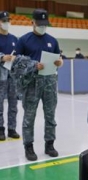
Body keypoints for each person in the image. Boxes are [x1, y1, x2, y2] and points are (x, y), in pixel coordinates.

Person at [15, 8, 63, 161]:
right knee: (29, 116)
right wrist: (33, 66)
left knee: (50, 115)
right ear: (32, 22)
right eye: (39, 24)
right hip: (31, 83)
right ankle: (28, 146)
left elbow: (59, 58)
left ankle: (50, 144)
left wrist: (60, 62)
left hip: (49, 80)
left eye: (45, 24)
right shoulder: (23, 40)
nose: (42, 27)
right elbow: (16, 63)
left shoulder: (52, 40)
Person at [0, 11, 20, 141]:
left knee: (13, 102)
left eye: (8, 20)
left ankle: (12, 128)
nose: (6, 23)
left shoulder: (14, 39)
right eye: (4, 21)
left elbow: (19, 54)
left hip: (12, 74)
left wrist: (15, 58)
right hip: (0, 74)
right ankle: (0, 129)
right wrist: (2, 57)